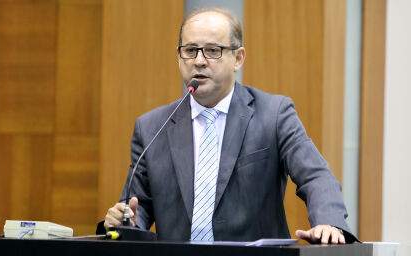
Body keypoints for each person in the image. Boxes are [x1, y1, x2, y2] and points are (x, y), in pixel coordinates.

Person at [102, 8, 356, 244]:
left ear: (238, 58)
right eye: (190, 50)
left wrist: (328, 223)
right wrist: (128, 221)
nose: (199, 61)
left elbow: (316, 176)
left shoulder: (273, 114)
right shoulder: (152, 127)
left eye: (213, 50)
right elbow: (138, 206)